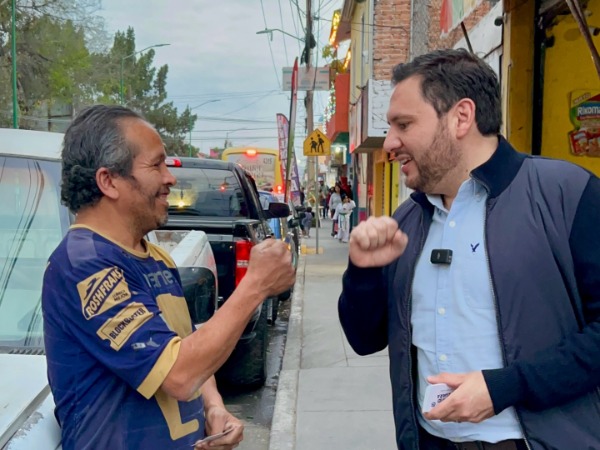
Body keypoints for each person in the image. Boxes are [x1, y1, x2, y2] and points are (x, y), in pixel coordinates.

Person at [338, 48, 600, 450]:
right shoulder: (406, 221)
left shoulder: (568, 195)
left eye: (404, 124)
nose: (390, 142)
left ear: (461, 117)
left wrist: (506, 387)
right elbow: (364, 340)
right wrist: (363, 273)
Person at [42, 105, 296, 450]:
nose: (170, 178)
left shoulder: (154, 258)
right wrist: (255, 285)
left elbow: (184, 346)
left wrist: (213, 406)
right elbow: (179, 374)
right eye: (156, 165)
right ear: (109, 181)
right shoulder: (85, 265)